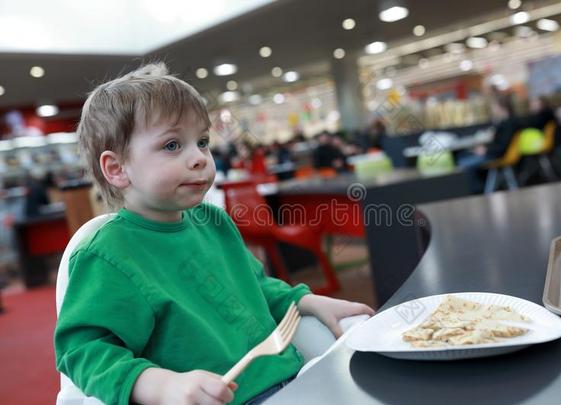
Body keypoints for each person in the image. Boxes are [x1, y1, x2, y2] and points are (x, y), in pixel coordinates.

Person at [54, 63, 374, 405]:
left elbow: (257, 287)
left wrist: (305, 301)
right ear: (117, 169)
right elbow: (83, 350)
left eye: (202, 141)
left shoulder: (213, 221)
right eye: (173, 145)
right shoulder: (107, 253)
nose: (199, 158)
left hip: (290, 378)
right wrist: (158, 385)